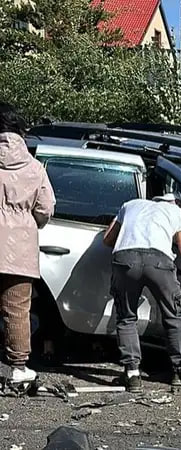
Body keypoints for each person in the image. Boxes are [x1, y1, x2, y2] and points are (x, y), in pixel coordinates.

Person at [102, 193, 181, 393]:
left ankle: (132, 374)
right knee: (173, 316)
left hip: (125, 260)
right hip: (159, 262)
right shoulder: (179, 212)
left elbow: (108, 239)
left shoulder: (130, 204)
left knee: (126, 317)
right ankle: (178, 371)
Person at [0, 103, 55, 387]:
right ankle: (17, 367)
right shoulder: (34, 167)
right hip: (20, 251)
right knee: (17, 309)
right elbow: (46, 208)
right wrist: (27, 222)